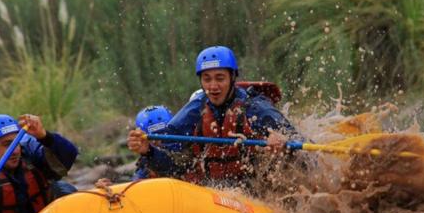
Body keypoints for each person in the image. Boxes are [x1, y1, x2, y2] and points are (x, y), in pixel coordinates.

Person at [127, 45, 301, 188]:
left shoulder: (255, 107)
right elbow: (176, 165)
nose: (213, 86)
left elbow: (295, 138)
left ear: (232, 77)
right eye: (207, 79)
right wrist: (148, 152)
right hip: (212, 192)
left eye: (220, 78)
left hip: (255, 187)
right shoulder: (193, 112)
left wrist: (281, 139)